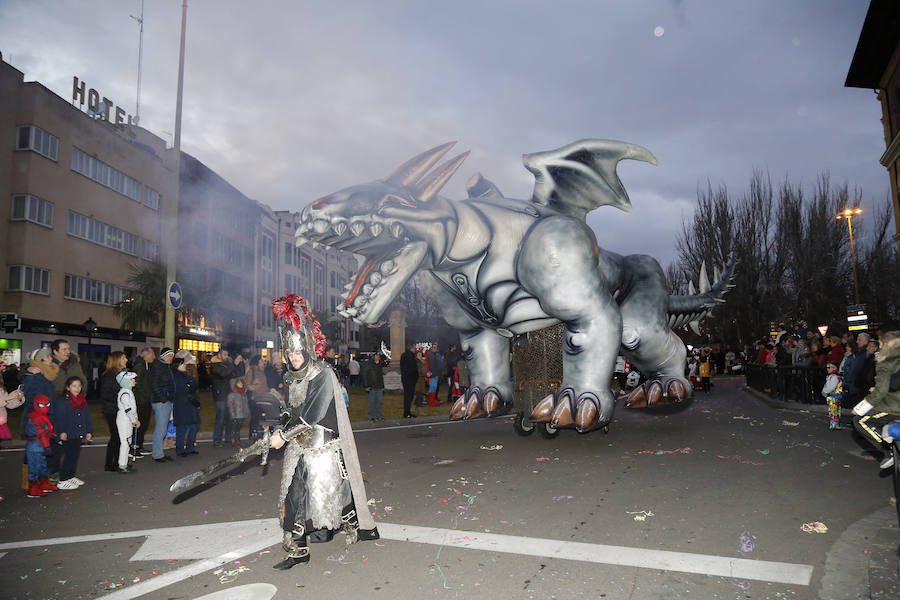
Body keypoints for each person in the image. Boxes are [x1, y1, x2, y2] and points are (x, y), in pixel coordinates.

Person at [268, 293, 379, 569]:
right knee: (295, 497)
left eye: (298, 352)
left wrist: (283, 435)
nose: (294, 357)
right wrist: (278, 426)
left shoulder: (323, 374)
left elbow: (311, 414)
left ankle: (354, 525)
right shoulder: (289, 377)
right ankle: (299, 551)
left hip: (323, 448)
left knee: (336, 497)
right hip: (299, 448)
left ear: (306, 349)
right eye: (290, 353)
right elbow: (290, 410)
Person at [853, 325, 900, 469]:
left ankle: (888, 450)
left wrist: (859, 408)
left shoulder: (886, 361)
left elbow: (880, 392)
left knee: (860, 421)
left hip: (894, 405)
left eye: (879, 344)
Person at [54, 376, 93, 489]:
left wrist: (88, 431)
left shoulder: (82, 400)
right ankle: (63, 479)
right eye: (74, 386)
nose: (77, 388)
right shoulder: (63, 401)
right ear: (68, 387)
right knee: (69, 456)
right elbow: (60, 418)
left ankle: (70, 476)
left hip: (78, 432)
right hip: (68, 432)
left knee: (75, 456)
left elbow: (86, 417)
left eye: (79, 386)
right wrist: (61, 432)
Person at [23, 394, 57, 498]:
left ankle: (43, 483)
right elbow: (41, 434)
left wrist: (52, 435)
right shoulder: (37, 418)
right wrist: (47, 447)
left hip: (39, 445)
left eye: (47, 405)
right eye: (43, 405)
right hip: (35, 446)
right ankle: (33, 488)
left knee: (42, 465)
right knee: (34, 467)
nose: (46, 407)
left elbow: (45, 431)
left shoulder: (41, 417)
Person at [210, 349, 245, 447]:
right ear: (219, 355)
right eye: (224, 354)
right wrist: (234, 363)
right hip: (220, 395)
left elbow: (237, 374)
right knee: (220, 419)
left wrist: (239, 364)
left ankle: (228, 438)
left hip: (229, 395)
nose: (226, 356)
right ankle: (217, 440)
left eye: (227, 354)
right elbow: (223, 374)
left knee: (230, 418)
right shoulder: (215, 365)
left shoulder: (228, 364)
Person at [99, 352, 127, 471]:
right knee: (116, 436)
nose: (126, 359)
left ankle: (117, 462)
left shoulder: (122, 373)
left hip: (119, 409)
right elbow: (105, 394)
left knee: (119, 436)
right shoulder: (110, 376)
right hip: (112, 410)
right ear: (117, 360)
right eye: (123, 358)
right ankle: (110, 464)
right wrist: (121, 397)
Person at [150, 347, 176, 462]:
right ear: (163, 356)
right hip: (161, 402)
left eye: (172, 355)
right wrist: (164, 398)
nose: (171, 357)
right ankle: (157, 455)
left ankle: (159, 453)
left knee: (163, 428)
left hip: (165, 401)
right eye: (169, 355)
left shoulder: (165, 367)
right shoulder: (159, 367)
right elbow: (154, 385)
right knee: (160, 429)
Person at [172, 356, 200, 456]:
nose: (185, 365)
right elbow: (184, 389)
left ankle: (190, 447)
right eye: (182, 364)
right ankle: (180, 449)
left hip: (190, 404)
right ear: (177, 366)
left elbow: (195, 384)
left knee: (194, 425)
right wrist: (190, 387)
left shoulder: (185, 375)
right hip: (182, 405)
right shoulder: (176, 376)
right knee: (182, 428)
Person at [132, 347, 155, 457]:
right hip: (141, 401)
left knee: (144, 424)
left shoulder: (146, 366)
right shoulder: (140, 367)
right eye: (152, 355)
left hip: (145, 400)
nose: (154, 357)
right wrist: (147, 394)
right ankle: (135, 447)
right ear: (146, 355)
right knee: (139, 424)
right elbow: (138, 385)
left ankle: (139, 446)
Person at [115, 371, 140, 473]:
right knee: (125, 443)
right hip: (124, 420)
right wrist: (134, 420)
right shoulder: (125, 393)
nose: (134, 381)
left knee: (128, 441)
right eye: (131, 379)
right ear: (126, 382)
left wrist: (135, 418)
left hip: (128, 419)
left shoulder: (128, 392)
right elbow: (128, 409)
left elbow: (133, 408)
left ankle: (124, 462)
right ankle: (122, 465)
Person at [227, 377, 250, 447]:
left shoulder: (244, 393)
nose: (241, 384)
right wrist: (232, 414)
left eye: (241, 382)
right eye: (239, 383)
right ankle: (233, 439)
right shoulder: (232, 394)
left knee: (238, 427)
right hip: (236, 414)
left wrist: (247, 412)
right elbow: (230, 405)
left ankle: (237, 439)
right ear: (235, 384)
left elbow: (246, 404)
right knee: (234, 427)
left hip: (242, 414)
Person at [821, 361, 843, 430]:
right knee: (835, 410)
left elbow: (830, 387)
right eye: (827, 367)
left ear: (834, 368)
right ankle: (835, 423)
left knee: (833, 411)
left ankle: (834, 424)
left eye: (829, 367)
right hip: (834, 397)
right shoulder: (832, 377)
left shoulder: (834, 377)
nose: (827, 369)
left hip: (833, 397)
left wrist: (824, 391)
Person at [362, 353, 385, 421]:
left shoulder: (380, 365)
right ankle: (371, 416)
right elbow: (365, 375)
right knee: (371, 402)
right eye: (376, 356)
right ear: (373, 357)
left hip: (379, 386)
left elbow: (381, 376)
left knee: (379, 402)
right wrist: (366, 385)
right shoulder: (369, 364)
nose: (378, 357)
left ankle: (379, 416)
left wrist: (382, 386)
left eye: (379, 356)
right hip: (371, 386)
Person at [399, 343, 419, 419]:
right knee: (408, 397)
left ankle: (407, 412)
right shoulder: (410, 356)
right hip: (410, 379)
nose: (415, 350)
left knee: (408, 397)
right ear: (411, 348)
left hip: (406, 379)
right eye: (414, 348)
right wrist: (415, 377)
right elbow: (412, 369)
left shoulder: (404, 355)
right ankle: (407, 413)